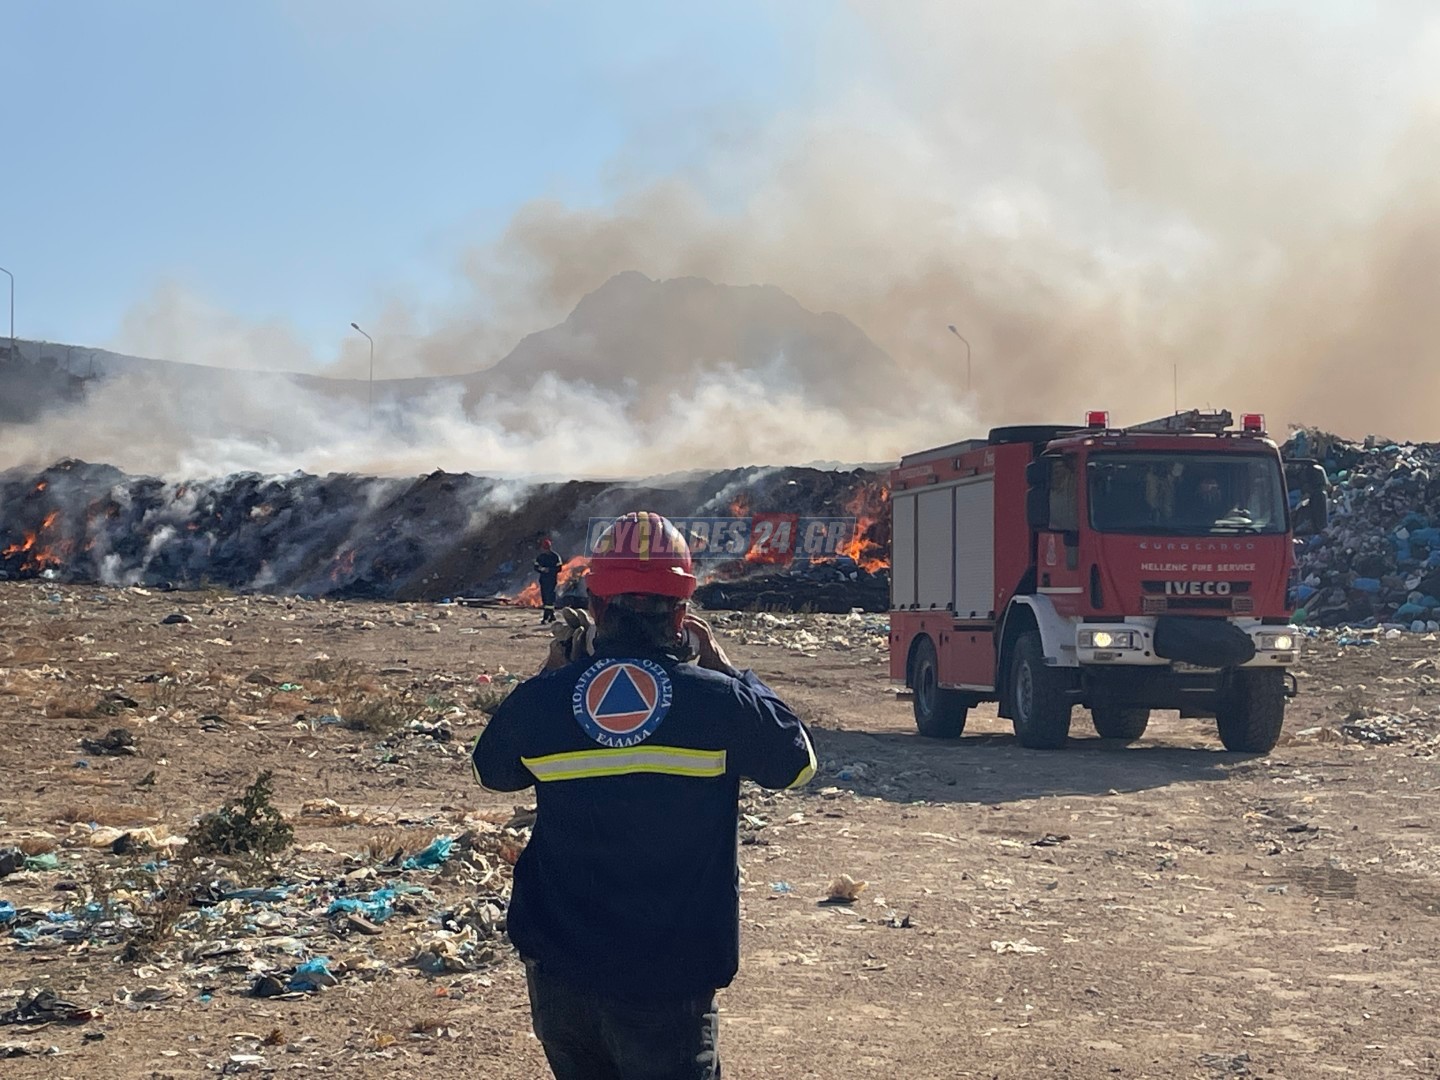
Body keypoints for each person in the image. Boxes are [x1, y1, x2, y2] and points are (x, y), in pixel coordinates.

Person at [473, 511, 816, 1080]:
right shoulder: (718, 703)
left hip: (563, 975)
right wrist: (729, 671)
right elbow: (797, 765)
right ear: (682, 613)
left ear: (596, 607)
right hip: (668, 980)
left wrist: (554, 671)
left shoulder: (545, 701)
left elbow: (493, 771)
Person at [534, 538, 562, 624]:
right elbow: (535, 567)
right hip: (543, 580)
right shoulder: (540, 557)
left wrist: (550, 570)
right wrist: (542, 569)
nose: (546, 550)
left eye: (547, 548)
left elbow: (559, 568)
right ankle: (552, 616)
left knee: (550, 598)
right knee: (545, 598)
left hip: (551, 580)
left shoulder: (555, 557)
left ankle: (546, 617)